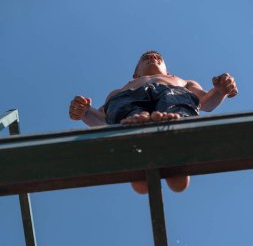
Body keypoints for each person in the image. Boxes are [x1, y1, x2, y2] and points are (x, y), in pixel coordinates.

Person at [69, 50, 238, 194]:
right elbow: (103, 121)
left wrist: (219, 91)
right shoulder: (120, 90)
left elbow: (205, 103)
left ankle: (174, 134)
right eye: (146, 58)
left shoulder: (183, 82)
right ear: (135, 75)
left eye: (158, 58)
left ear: (168, 73)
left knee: (178, 101)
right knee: (118, 104)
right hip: (130, 100)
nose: (153, 58)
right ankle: (134, 140)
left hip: (172, 93)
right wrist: (85, 111)